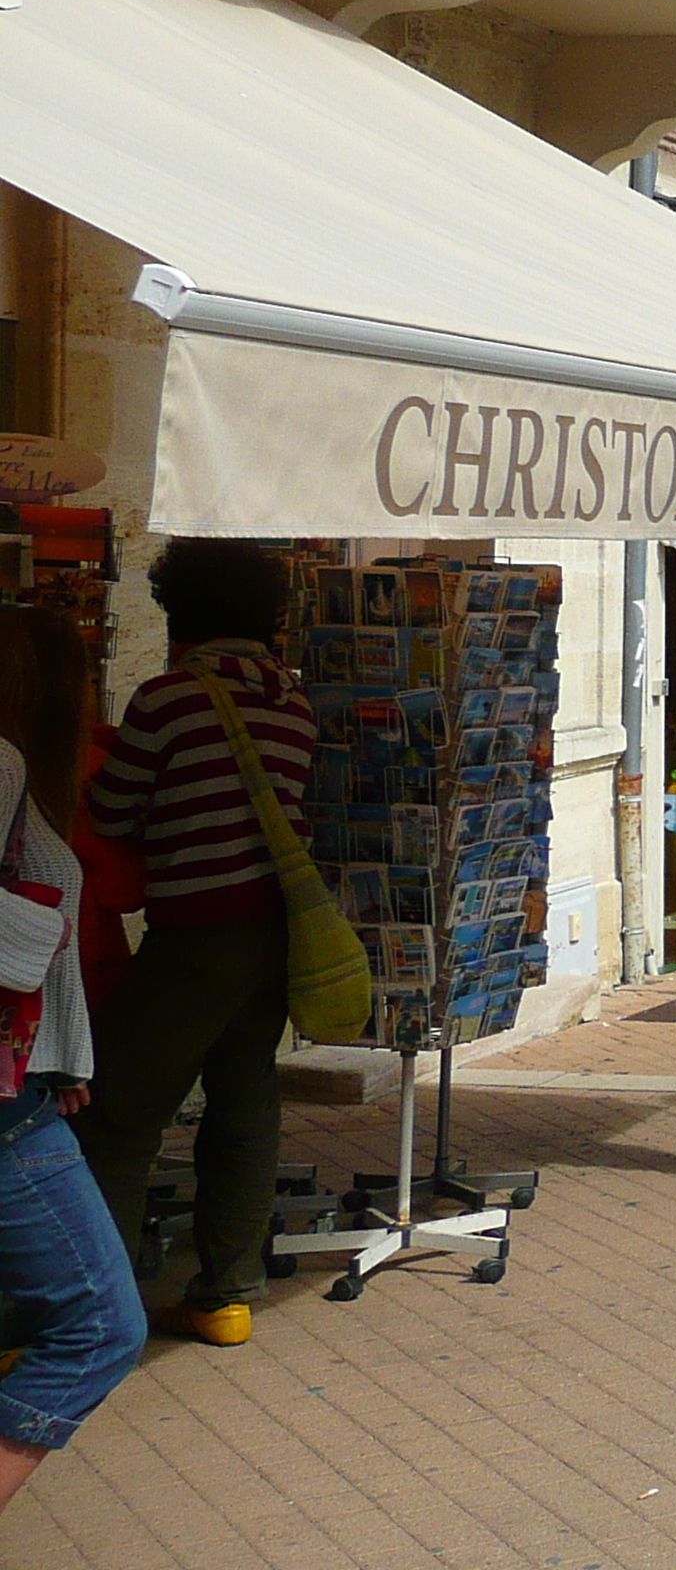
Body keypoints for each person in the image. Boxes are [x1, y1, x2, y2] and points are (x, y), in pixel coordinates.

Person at [75, 540, 315, 1349]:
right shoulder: (291, 700)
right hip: (270, 936)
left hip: (194, 933)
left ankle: (88, 1312)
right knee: (245, 1106)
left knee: (114, 1112)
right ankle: (227, 1295)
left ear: (178, 613)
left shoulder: (167, 699)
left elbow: (111, 815)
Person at [0, 608, 141, 1505]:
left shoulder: (28, 778)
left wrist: (61, 1057)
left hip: (27, 1088)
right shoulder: (6, 763)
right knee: (99, 1325)